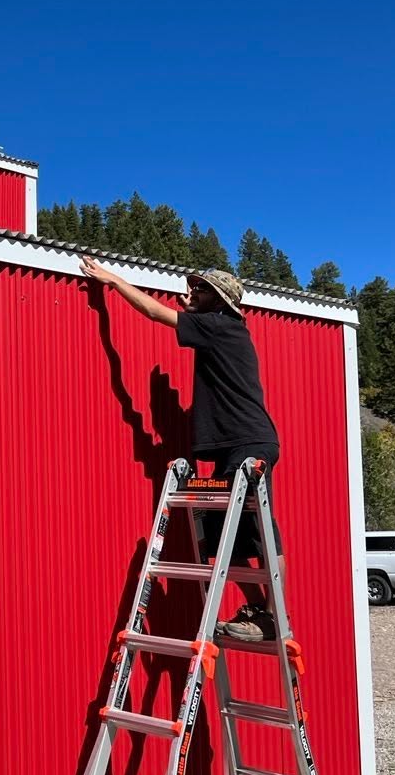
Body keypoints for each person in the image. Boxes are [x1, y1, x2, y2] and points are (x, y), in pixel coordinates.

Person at [78, 260, 283, 640]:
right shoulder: (217, 328)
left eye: (200, 290)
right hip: (229, 447)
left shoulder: (221, 325)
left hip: (249, 442)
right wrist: (194, 305)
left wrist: (112, 281)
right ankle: (258, 608)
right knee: (223, 537)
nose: (192, 294)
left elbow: (156, 313)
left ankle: (272, 617)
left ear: (220, 300)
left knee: (259, 532)